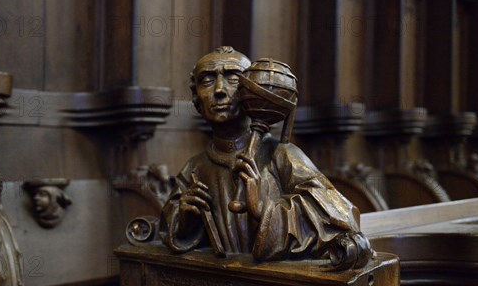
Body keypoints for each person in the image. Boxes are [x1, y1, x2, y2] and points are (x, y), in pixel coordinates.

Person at [159, 46, 372, 269]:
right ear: (196, 98)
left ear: (252, 91)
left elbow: (341, 217)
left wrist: (262, 208)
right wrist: (185, 220)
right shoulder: (194, 168)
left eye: (232, 78)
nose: (219, 90)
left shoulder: (281, 155)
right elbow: (169, 231)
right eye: (207, 80)